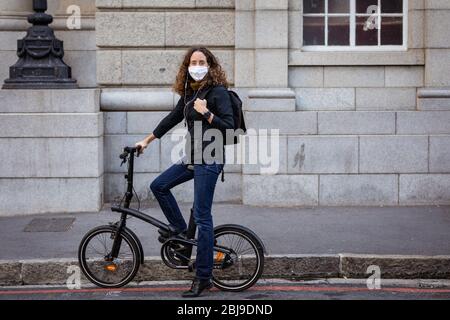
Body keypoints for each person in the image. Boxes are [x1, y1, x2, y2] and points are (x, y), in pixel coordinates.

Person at [134, 46, 234, 298]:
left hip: (210, 160)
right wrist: (146, 140)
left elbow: (231, 128)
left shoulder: (218, 92)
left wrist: (207, 113)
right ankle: (180, 233)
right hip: (192, 157)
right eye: (193, 62)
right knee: (159, 186)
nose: (197, 65)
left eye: (201, 61)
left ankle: (203, 277)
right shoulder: (191, 93)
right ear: (187, 66)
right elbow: (172, 117)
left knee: (202, 217)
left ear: (210, 66)